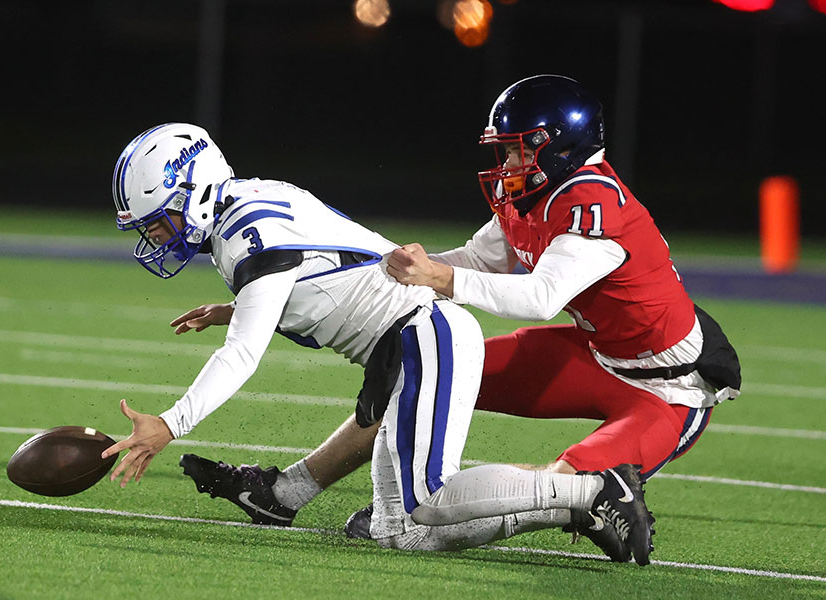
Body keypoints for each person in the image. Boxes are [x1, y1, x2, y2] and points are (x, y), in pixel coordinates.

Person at [187, 74, 741, 563]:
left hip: (667, 389)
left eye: (519, 150)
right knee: (421, 375)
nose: (507, 165)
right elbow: (476, 259)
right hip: (596, 354)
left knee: (570, 484)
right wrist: (396, 273)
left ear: (560, 148)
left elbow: (541, 295)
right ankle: (289, 492)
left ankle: (565, 507)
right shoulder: (535, 195)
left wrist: (439, 279)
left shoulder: (593, 205)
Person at [102, 122, 655, 563]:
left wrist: (171, 423)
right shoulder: (251, 201)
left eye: (160, 219)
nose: (157, 235)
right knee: (401, 532)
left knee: (428, 503)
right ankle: (583, 502)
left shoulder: (251, 236)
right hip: (413, 341)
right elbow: (323, 278)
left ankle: (591, 493)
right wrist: (235, 308)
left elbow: (244, 354)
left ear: (193, 193)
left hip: (426, 335)